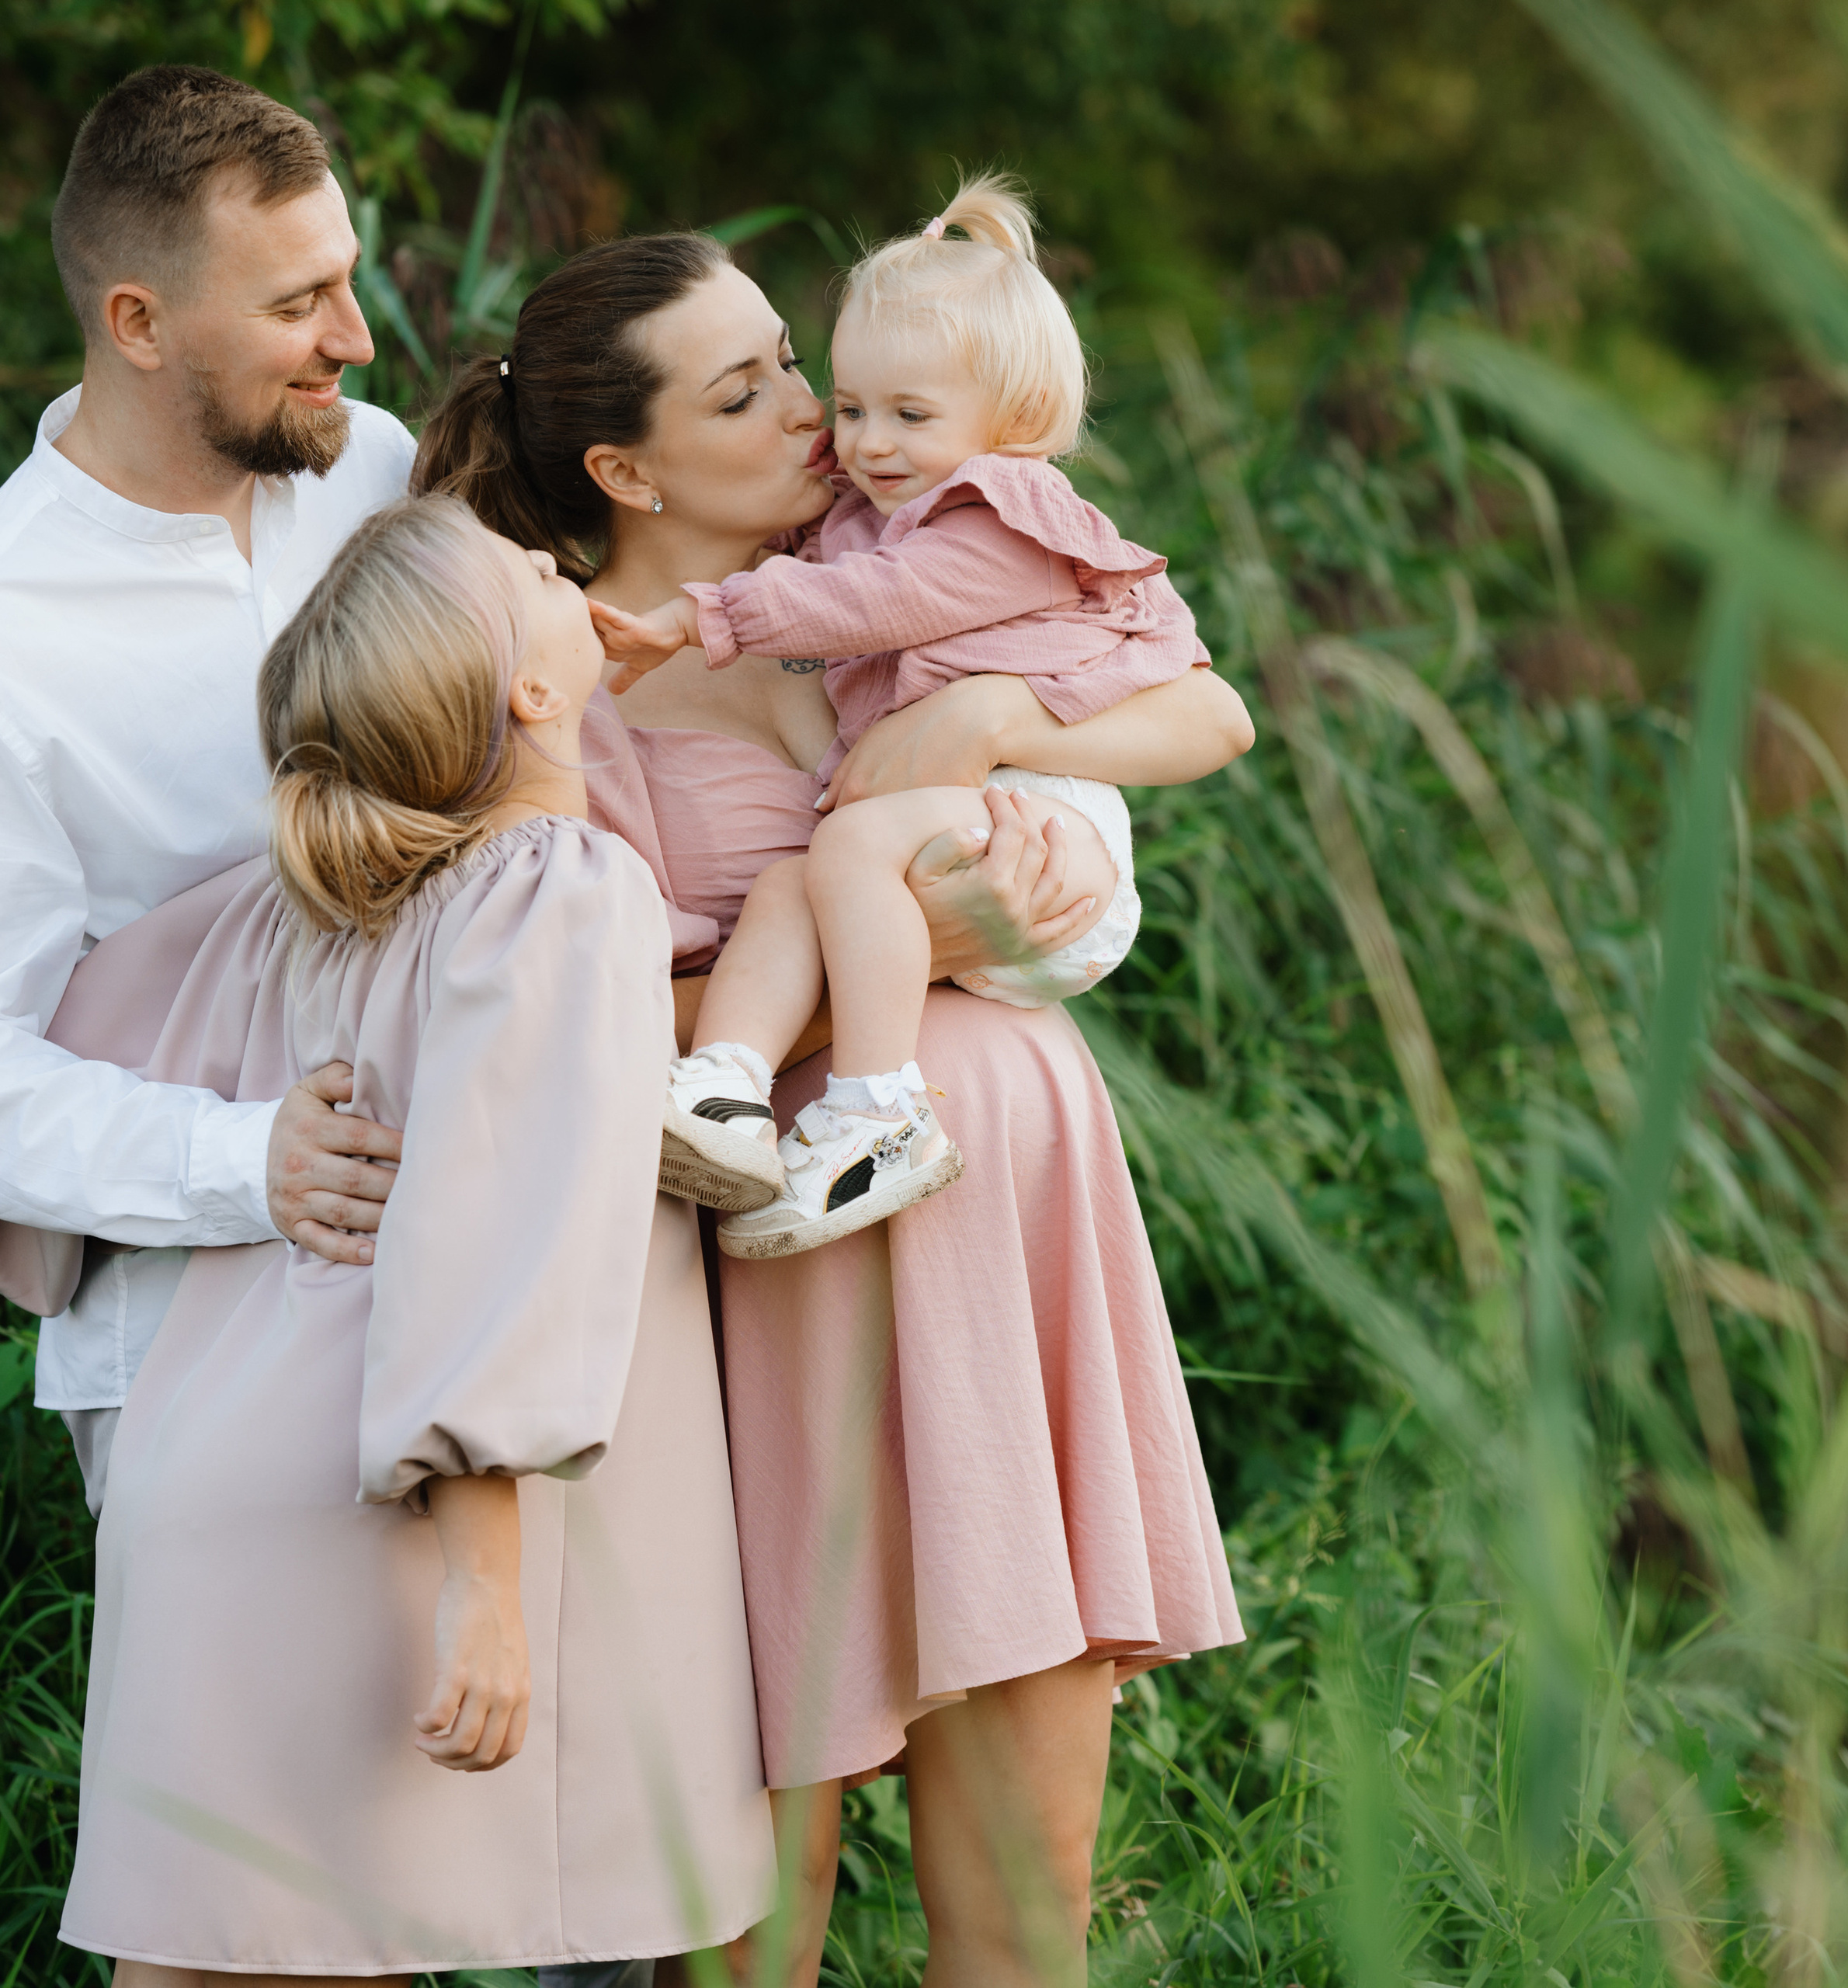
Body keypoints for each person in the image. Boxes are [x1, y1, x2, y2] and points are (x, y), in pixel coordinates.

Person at [416, 224, 1252, 1987]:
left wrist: (1013, 721)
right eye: (749, 390)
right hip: (771, 1286)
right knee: (745, 1919)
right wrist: (920, 934)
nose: (811, 408)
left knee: (1027, 1909)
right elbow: (541, 1023)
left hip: (1011, 1234)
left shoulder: (923, 557)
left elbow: (1193, 696)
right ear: (625, 468)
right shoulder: (564, 684)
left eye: (795, 360)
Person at [58, 495, 774, 1981]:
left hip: (204, 1482)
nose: (552, 558)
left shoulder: (306, 899)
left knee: (214, 1956)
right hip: (373, 1524)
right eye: (529, 570)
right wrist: (487, 1578)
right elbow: (504, 1234)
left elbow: (93, 1017)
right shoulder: (563, 896)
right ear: (528, 689)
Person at [592, 174, 1209, 1260]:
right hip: (964, 833)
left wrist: (705, 619)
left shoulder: (998, 514)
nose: (858, 440)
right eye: (849, 404)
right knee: (803, 879)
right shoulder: (876, 516)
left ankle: (882, 1108)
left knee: (849, 846)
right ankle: (725, 1091)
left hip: (1043, 831)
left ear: (1010, 424)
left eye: (908, 416)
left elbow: (878, 607)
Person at [0, 65, 414, 1512]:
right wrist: (254, 1164)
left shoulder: (376, 473)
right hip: (188, 1325)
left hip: (453, 1284)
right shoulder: (12, 631)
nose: (354, 342)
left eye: (346, 283)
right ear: (138, 322)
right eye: (299, 303)